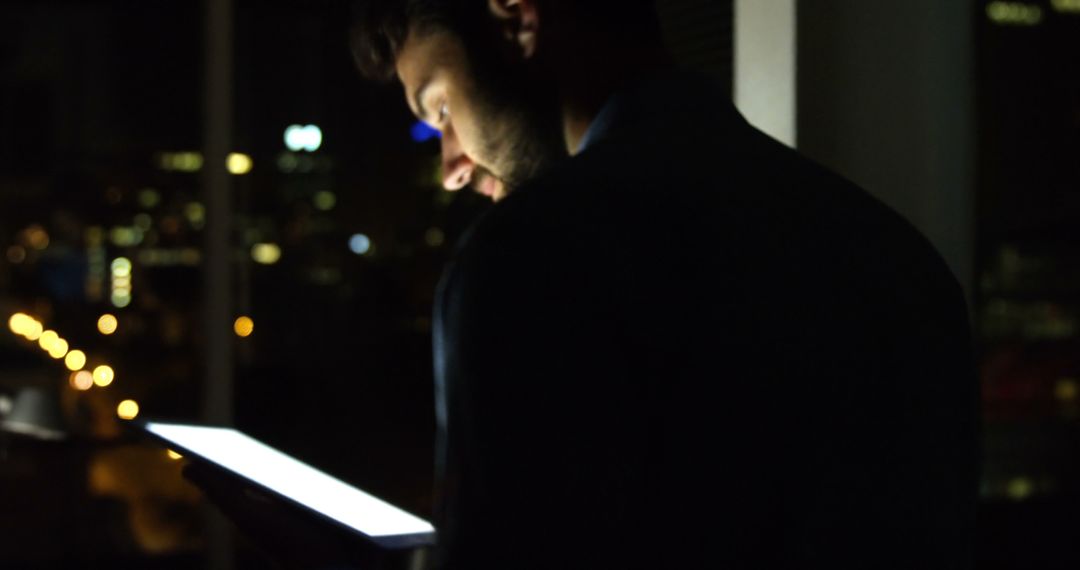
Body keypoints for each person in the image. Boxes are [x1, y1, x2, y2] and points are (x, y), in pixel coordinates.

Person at [190, 1, 978, 568]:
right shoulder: (888, 246)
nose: (453, 166)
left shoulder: (533, 255)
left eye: (441, 111)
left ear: (516, 21)